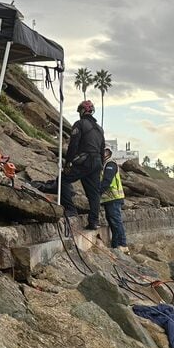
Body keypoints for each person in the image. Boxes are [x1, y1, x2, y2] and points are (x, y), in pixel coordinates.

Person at [62, 100, 105, 229]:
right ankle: (94, 222)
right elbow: (102, 148)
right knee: (94, 193)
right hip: (97, 162)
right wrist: (100, 165)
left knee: (63, 180)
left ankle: (70, 210)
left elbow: (73, 144)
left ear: (81, 111)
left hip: (85, 160)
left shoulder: (79, 124)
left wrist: (68, 162)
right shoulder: (99, 129)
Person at [99, 147, 127, 251]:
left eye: (104, 151)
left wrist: (97, 193)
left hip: (114, 198)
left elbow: (107, 181)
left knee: (116, 222)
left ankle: (122, 245)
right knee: (113, 223)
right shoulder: (104, 165)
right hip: (109, 199)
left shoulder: (110, 164)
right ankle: (115, 246)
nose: (102, 153)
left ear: (108, 153)